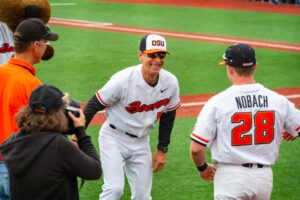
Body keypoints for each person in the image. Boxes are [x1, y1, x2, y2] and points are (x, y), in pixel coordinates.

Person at [190, 43, 300, 200]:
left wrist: (202, 167)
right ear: (255, 67)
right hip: (264, 178)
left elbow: (196, 149)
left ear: (229, 68)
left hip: (231, 178)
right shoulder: (278, 100)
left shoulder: (218, 102)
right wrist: (294, 133)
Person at [84, 34, 181, 200]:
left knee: (143, 196)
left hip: (142, 141)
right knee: (114, 189)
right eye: (152, 55)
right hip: (114, 138)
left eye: (161, 55)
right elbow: (94, 105)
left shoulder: (170, 82)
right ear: (140, 55)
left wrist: (162, 149)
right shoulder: (122, 80)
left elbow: (169, 115)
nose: (157, 60)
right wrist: (77, 135)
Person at [0, 84, 102, 200]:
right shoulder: (59, 146)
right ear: (59, 114)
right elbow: (94, 171)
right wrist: (80, 132)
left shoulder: (13, 141)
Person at [0, 18, 59, 199]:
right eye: (45, 41)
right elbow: (42, 134)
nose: (46, 46)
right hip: (17, 167)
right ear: (35, 46)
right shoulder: (33, 85)